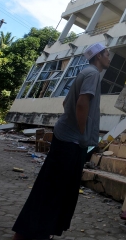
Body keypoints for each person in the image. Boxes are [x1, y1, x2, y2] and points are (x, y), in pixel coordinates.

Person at [12, 43, 110, 240]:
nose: (110, 57)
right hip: (71, 142)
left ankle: (30, 232)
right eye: (107, 54)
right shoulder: (92, 74)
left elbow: (67, 103)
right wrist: (81, 134)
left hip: (67, 138)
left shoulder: (86, 72)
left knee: (52, 188)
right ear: (99, 56)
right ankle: (31, 233)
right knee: (55, 191)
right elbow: (81, 104)